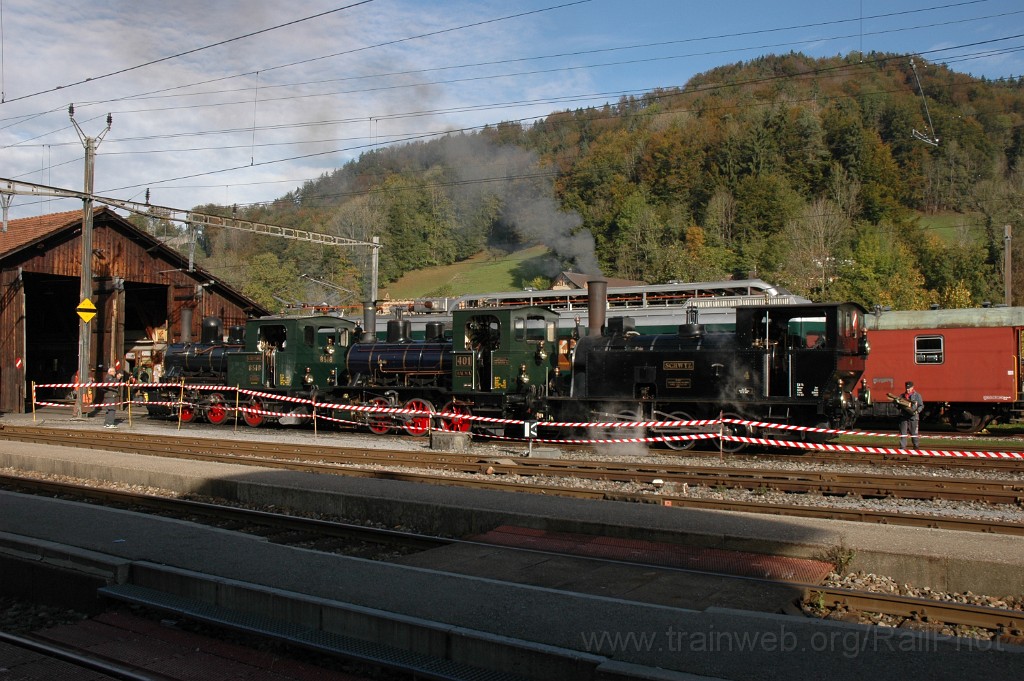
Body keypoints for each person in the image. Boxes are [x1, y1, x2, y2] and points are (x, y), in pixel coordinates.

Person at [897, 380, 924, 449]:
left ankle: (916, 446)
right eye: (906, 388)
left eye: (909, 388)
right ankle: (902, 447)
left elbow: (921, 405)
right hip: (904, 417)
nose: (907, 390)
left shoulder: (917, 396)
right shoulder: (902, 396)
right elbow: (898, 406)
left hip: (913, 417)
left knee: (914, 433)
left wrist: (917, 411)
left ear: (912, 387)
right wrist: (897, 403)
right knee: (903, 433)